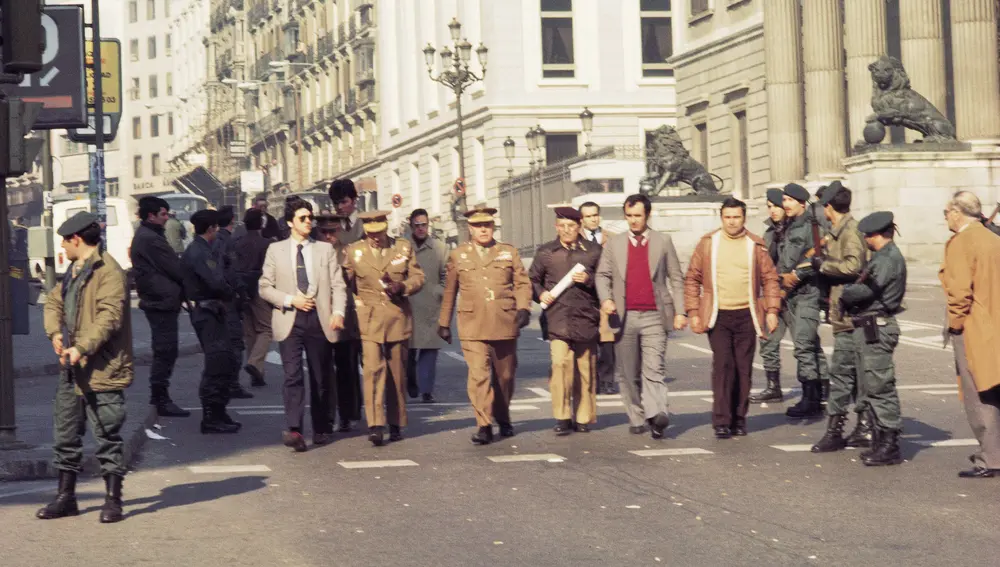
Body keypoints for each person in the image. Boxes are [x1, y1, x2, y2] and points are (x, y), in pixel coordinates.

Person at [38, 212, 132, 523]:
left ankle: (113, 500)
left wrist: (81, 347)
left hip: (102, 368)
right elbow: (53, 301)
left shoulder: (109, 273)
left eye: (65, 242)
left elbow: (109, 318)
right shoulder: (76, 270)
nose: (62, 249)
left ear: (76, 239)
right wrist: (54, 332)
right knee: (65, 434)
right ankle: (66, 497)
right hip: (72, 366)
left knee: (107, 433)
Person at [684, 197, 780, 438]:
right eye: (727, 217)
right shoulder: (708, 243)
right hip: (718, 315)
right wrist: (693, 312)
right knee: (723, 366)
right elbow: (692, 278)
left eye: (736, 217)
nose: (732, 222)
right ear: (721, 218)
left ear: (744, 218)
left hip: (747, 314)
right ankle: (722, 421)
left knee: (743, 368)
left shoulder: (755, 245)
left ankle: (739, 418)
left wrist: (771, 311)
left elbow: (770, 279)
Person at [438, 207, 532, 445]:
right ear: (470, 228)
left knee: (506, 376)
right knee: (479, 375)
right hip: (472, 324)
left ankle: (502, 415)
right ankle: (484, 424)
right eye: (478, 226)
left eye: (487, 225)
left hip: (504, 322)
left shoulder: (508, 252)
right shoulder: (459, 255)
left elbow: (522, 283)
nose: (483, 229)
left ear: (493, 227)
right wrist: (444, 323)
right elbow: (450, 290)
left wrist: (523, 308)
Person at [259, 199, 347, 451]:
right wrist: (290, 300)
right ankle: (294, 429)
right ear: (290, 223)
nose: (308, 221)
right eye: (302, 218)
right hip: (290, 319)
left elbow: (337, 285)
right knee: (292, 375)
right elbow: (264, 287)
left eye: (310, 217)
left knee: (320, 376)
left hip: (319, 319)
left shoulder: (323, 250)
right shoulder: (276, 250)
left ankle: (320, 427)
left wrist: (338, 312)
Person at [595, 194, 685, 440]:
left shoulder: (663, 241)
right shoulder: (614, 245)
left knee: (654, 369)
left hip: (655, 315)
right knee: (628, 372)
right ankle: (636, 415)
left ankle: (658, 415)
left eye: (638, 216)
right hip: (624, 317)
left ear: (647, 215)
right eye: (629, 216)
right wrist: (606, 299)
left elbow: (676, 278)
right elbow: (602, 275)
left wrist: (680, 311)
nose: (633, 221)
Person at [342, 211, 424, 446]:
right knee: (372, 372)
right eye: (370, 233)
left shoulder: (403, 247)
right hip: (369, 320)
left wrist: (403, 286)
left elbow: (419, 277)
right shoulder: (354, 251)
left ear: (386, 228)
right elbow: (346, 282)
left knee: (396, 374)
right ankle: (376, 424)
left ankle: (396, 422)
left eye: (378, 233)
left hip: (397, 316)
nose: (375, 238)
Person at [838, 211, 906, 466]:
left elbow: (867, 289)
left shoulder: (888, 259)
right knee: (871, 385)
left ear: (877, 235)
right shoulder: (882, 257)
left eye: (867, 235)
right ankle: (880, 440)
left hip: (878, 325)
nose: (865, 239)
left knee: (880, 386)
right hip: (869, 325)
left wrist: (846, 293)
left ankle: (889, 444)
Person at [940, 191, 1000, 478]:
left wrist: (954, 324)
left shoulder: (961, 242)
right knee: (994, 389)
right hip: (996, 321)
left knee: (978, 394)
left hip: (975, 326)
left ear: (956, 212)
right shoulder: (993, 238)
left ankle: (989, 458)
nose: (945, 218)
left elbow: (960, 292)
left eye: (946, 212)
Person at [529, 206, 602, 435]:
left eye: (571, 226)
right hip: (557, 318)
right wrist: (540, 293)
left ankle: (582, 417)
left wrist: (589, 280)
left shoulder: (593, 251)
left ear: (579, 226)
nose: (566, 230)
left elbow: (606, 281)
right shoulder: (546, 252)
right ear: (556, 227)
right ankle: (561, 416)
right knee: (560, 365)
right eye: (562, 226)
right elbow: (532, 279)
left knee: (584, 369)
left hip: (585, 317)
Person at [809, 183, 871, 453]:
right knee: (854, 375)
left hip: (851, 316)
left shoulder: (850, 231)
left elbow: (853, 265)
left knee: (843, 374)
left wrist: (823, 265)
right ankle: (864, 426)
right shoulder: (839, 231)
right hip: (844, 313)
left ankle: (838, 430)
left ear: (829, 207)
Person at [182, 209, 241, 435]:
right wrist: (231, 292)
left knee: (223, 361)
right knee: (217, 363)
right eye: (215, 227)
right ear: (210, 229)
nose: (217, 231)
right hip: (208, 312)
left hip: (211, 311)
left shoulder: (200, 249)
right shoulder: (200, 252)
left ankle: (219, 412)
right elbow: (216, 281)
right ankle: (211, 415)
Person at [130, 196, 189, 417]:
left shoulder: (149, 235)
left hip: (159, 299)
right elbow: (174, 267)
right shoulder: (150, 239)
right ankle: (160, 397)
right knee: (165, 350)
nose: (167, 218)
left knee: (165, 349)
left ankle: (160, 396)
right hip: (160, 301)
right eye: (163, 214)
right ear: (151, 216)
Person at [776, 183, 829, 419]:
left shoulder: (811, 226)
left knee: (804, 346)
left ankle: (811, 398)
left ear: (801, 203)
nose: (785, 204)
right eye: (784, 200)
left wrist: (796, 275)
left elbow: (819, 256)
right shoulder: (789, 226)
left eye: (789, 200)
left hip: (807, 291)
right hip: (793, 294)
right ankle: (820, 391)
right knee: (810, 344)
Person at [315, 213, 363, 431]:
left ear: (339, 231)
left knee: (347, 368)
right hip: (321, 316)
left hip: (346, 316)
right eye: (324, 232)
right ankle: (327, 416)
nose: (328, 236)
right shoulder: (313, 251)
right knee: (324, 370)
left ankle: (347, 414)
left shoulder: (349, 252)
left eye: (332, 231)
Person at [751, 189, 789, 403]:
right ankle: (773, 385)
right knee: (768, 338)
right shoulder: (769, 233)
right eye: (769, 206)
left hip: (797, 294)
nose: (773, 210)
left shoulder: (796, 228)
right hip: (775, 294)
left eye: (776, 205)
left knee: (806, 344)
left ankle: (817, 389)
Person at [406, 208, 448, 403]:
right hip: (408, 305)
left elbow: (446, 276)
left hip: (431, 306)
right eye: (417, 225)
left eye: (424, 224)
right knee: (408, 351)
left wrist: (438, 291)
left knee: (430, 351)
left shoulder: (440, 248)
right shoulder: (403, 247)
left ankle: (426, 390)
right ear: (411, 226)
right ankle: (411, 381)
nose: (421, 228)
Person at [214, 205, 253, 399]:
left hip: (220, 298)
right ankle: (233, 384)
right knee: (235, 342)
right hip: (229, 299)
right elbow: (231, 271)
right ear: (231, 220)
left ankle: (227, 382)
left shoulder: (214, 240)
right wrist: (240, 291)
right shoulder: (227, 242)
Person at [580, 201, 617, 395]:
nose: (592, 219)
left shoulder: (612, 239)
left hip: (606, 295)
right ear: (582, 219)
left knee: (608, 340)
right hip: (583, 295)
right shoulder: (574, 239)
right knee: (588, 340)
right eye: (588, 216)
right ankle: (591, 380)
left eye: (595, 215)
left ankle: (607, 380)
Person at [233, 208, 273, 387]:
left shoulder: (237, 242)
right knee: (266, 328)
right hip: (259, 287)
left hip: (241, 288)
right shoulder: (266, 244)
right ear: (261, 224)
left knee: (250, 332)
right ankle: (254, 363)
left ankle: (257, 374)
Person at [330, 178, 365, 245]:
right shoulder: (330, 226)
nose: (339, 207)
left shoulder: (366, 221)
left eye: (343, 202)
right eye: (335, 203)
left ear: (354, 200)